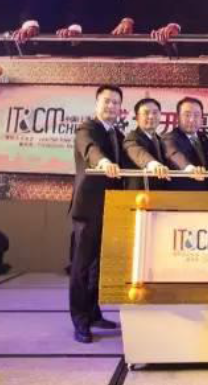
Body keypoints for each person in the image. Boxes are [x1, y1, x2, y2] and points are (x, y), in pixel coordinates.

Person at [69, 85, 124, 344]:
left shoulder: (118, 134)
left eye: (116, 102)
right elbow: (91, 149)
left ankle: (93, 313)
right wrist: (103, 162)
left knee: (97, 267)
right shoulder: (87, 128)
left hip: (111, 208)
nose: (111, 106)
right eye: (107, 101)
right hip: (88, 209)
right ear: (96, 104)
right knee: (81, 267)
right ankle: (80, 320)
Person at [162, 97, 208, 191]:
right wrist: (189, 168)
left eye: (196, 115)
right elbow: (174, 154)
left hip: (205, 194)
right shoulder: (169, 138)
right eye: (187, 115)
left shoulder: (204, 138)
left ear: (202, 118)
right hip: (180, 194)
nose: (192, 119)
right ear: (178, 117)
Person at [122, 98, 171, 190]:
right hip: (139, 195)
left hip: (161, 195)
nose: (151, 116)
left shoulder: (160, 140)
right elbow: (138, 152)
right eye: (146, 113)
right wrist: (153, 164)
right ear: (137, 117)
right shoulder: (131, 138)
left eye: (155, 112)